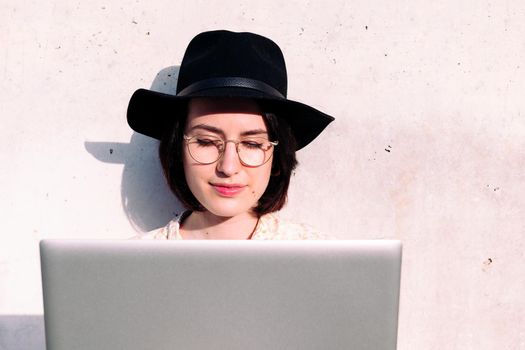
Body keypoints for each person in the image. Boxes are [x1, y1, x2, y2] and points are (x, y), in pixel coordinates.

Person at [127, 30, 334, 240]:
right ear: (177, 149)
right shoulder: (129, 263)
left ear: (277, 157)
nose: (228, 167)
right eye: (206, 142)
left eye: (252, 144)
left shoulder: (320, 256)